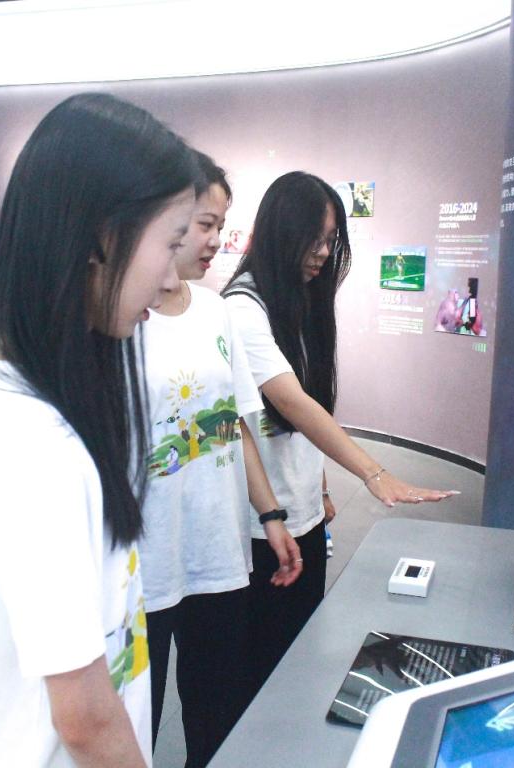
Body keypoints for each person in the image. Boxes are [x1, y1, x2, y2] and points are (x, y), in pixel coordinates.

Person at [0, 93, 199, 768]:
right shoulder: (36, 444)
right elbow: (84, 718)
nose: (172, 278)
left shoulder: (9, 387)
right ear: (101, 238)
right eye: (170, 244)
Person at [222, 171, 456, 696]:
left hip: (301, 511)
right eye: (315, 238)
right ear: (282, 231)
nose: (324, 253)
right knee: (263, 667)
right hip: (262, 524)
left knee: (298, 653)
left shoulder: (298, 301)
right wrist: (373, 472)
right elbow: (291, 402)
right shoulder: (242, 308)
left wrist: (322, 489)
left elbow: (306, 413)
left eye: (331, 240)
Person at [138, 151, 302, 767]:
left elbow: (235, 426)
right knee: (136, 720)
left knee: (216, 715)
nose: (215, 240)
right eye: (205, 225)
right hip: (144, 561)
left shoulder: (215, 310)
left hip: (216, 551)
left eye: (220, 226)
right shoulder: (117, 318)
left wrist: (271, 515)